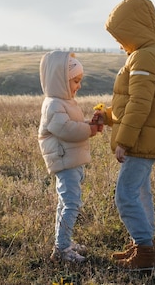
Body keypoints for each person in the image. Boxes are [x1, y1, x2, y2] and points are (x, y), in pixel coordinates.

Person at [96, 0, 155, 270]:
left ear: (134, 29)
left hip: (140, 140)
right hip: (145, 136)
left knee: (125, 194)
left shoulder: (144, 56)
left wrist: (124, 140)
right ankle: (141, 248)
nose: (119, 42)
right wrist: (108, 117)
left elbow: (140, 105)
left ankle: (145, 254)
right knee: (141, 194)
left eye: (120, 35)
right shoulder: (154, 53)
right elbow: (134, 102)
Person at [38, 51, 100, 263]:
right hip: (65, 162)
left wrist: (88, 125)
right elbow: (64, 129)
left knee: (65, 203)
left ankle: (62, 242)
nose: (79, 86)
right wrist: (89, 130)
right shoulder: (54, 104)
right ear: (61, 81)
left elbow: (72, 125)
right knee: (71, 203)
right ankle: (62, 250)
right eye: (75, 81)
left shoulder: (63, 102)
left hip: (70, 160)